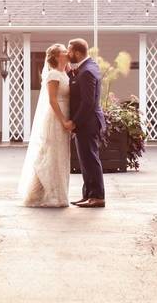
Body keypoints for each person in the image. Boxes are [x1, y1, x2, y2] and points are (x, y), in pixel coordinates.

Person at [17, 43, 73, 207]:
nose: (67, 52)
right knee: (50, 154)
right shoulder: (53, 75)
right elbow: (52, 100)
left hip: (65, 113)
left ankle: (58, 194)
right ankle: (42, 194)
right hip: (56, 117)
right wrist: (63, 120)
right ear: (56, 57)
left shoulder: (65, 74)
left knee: (60, 155)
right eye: (64, 51)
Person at [67, 38, 106, 208]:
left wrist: (74, 122)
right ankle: (88, 194)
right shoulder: (87, 67)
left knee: (90, 159)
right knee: (85, 160)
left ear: (76, 52)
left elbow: (88, 102)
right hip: (86, 123)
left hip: (88, 123)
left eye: (69, 51)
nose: (68, 55)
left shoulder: (87, 71)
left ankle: (97, 196)